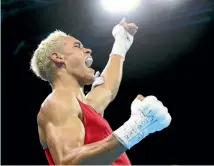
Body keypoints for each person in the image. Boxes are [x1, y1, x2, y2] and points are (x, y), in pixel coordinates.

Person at [30, 18, 171, 165]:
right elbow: (68, 162)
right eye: (77, 46)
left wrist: (121, 42)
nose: (88, 50)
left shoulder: (84, 105)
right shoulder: (57, 102)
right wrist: (137, 127)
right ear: (58, 57)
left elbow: (107, 88)